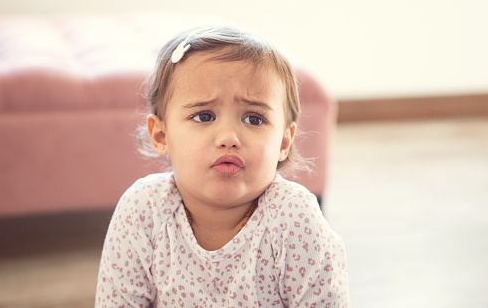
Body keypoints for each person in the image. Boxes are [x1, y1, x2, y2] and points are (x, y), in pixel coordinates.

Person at [95, 25, 350, 307]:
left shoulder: (293, 218)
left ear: (283, 142)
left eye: (253, 119)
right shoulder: (143, 211)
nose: (229, 137)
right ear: (161, 135)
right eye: (204, 116)